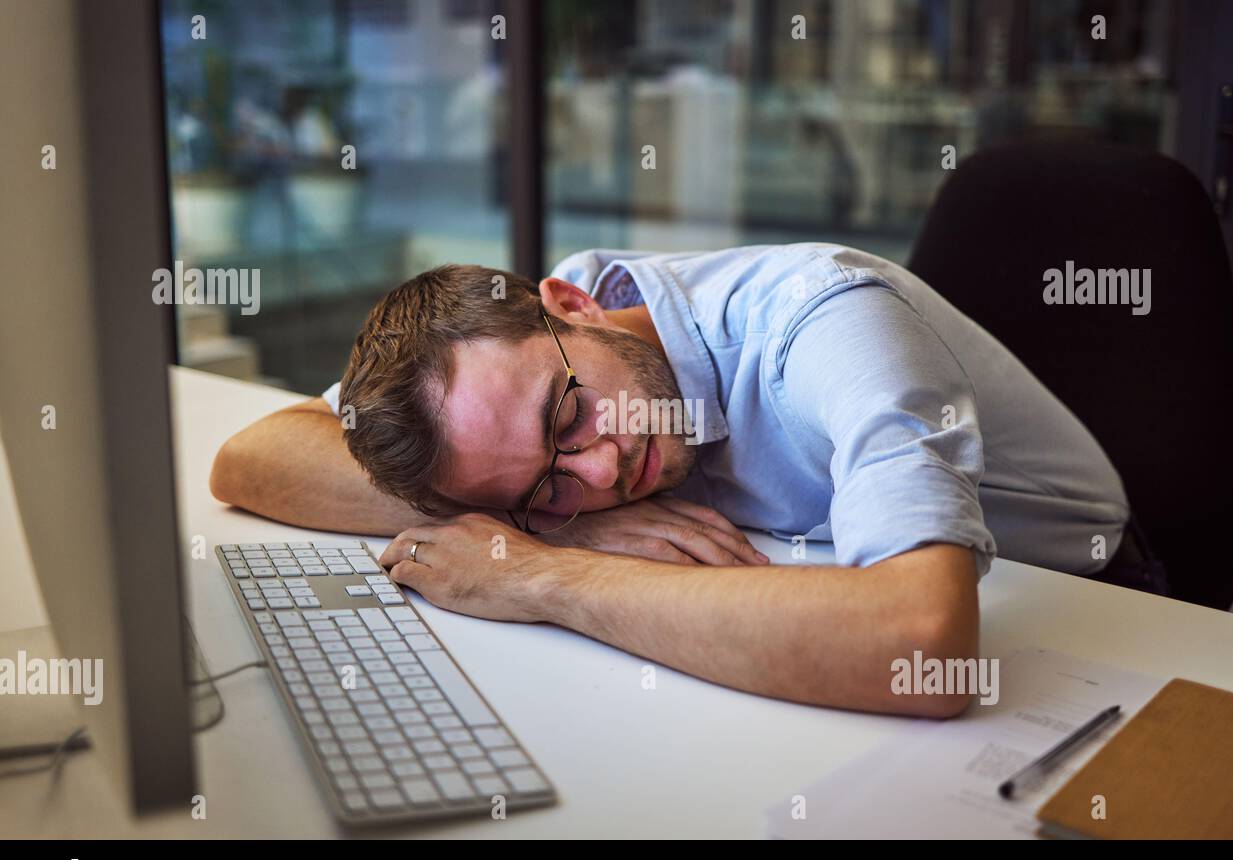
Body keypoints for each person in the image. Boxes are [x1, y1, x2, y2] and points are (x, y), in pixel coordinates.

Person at [211, 244, 1140, 716]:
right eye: (538, 488)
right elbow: (252, 458)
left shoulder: (824, 323)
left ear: (570, 305)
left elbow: (923, 647)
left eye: (567, 418)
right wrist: (559, 520)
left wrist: (537, 570)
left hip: (1099, 615)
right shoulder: (524, 363)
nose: (604, 469)